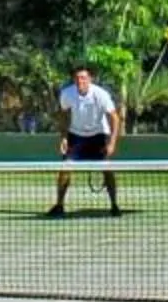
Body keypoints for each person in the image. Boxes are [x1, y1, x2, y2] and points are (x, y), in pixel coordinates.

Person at [49, 65, 124, 218]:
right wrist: (63, 137)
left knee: (107, 169)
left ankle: (114, 205)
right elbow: (63, 115)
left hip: (98, 134)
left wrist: (112, 143)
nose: (80, 81)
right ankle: (59, 205)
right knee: (65, 168)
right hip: (76, 136)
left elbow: (115, 118)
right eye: (77, 78)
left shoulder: (101, 94)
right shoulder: (67, 94)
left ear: (90, 79)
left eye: (83, 77)